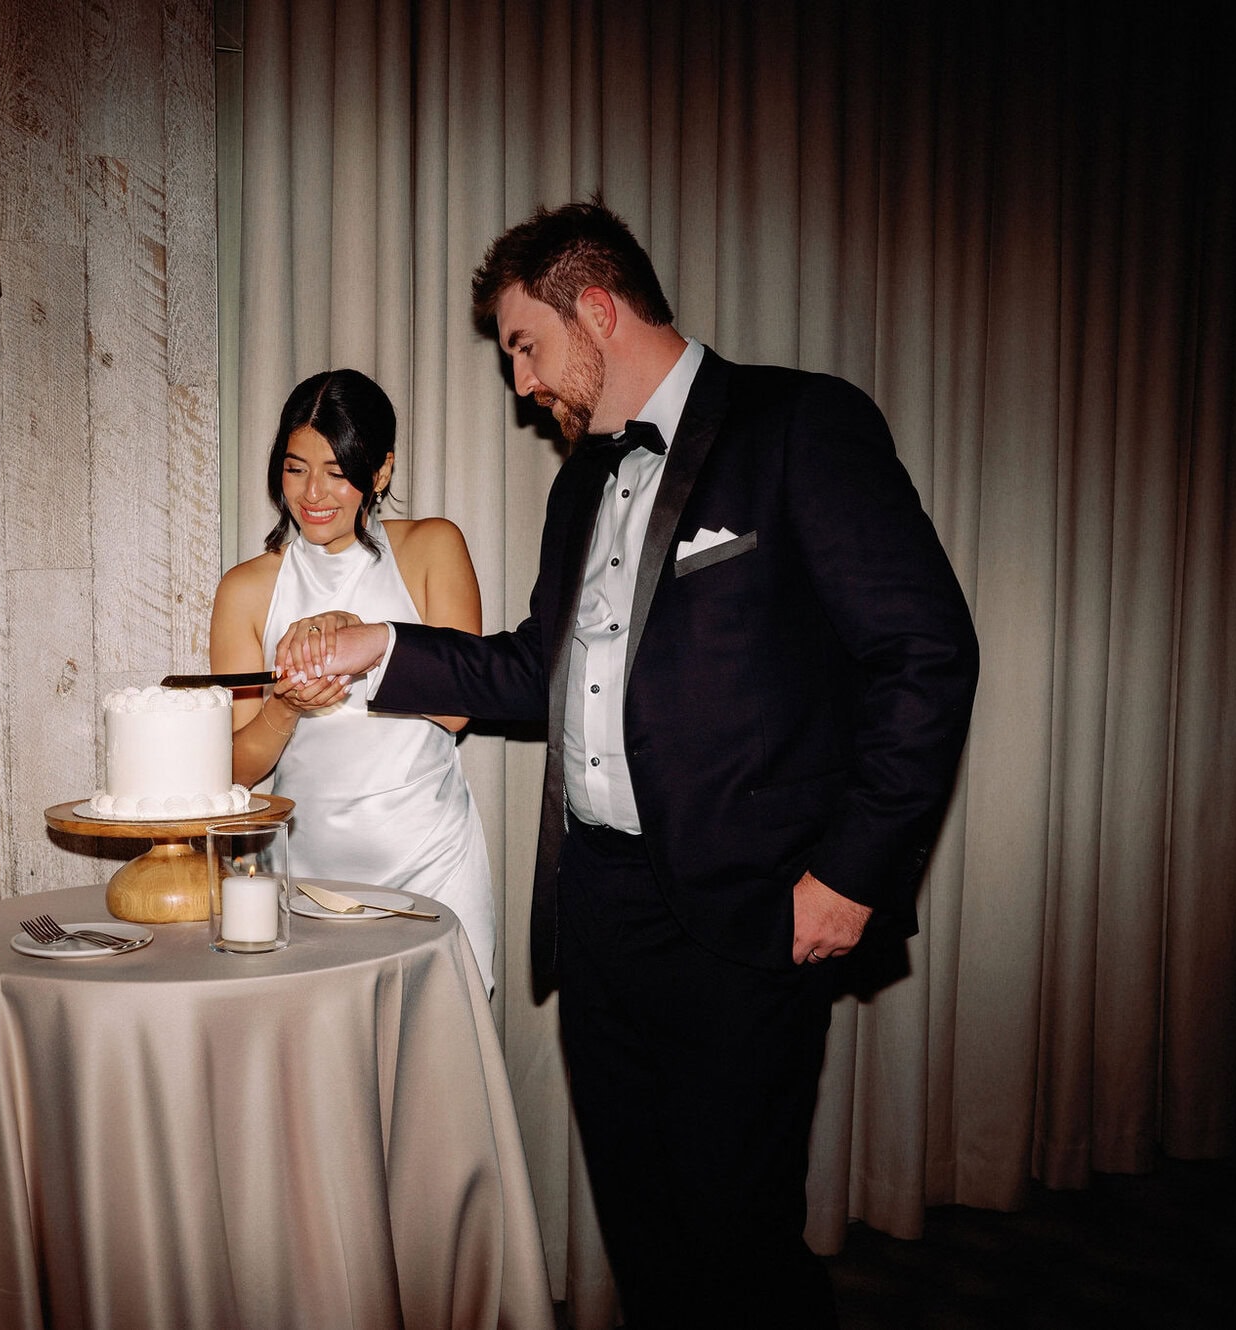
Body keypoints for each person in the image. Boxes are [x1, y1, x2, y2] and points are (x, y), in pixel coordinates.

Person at [274, 202, 979, 1325]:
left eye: (525, 346)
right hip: (599, 910)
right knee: (643, 1234)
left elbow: (924, 655)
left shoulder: (798, 424)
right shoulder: (580, 482)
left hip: (747, 909)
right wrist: (380, 647)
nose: (520, 385)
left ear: (595, 309)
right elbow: (534, 671)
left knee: (738, 1245)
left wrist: (854, 873)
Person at [209, 368, 497, 991]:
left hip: (433, 864)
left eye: (337, 472)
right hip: (308, 878)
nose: (313, 492)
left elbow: (460, 709)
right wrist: (285, 708)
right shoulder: (245, 589)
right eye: (295, 468)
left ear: (381, 471)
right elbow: (233, 770)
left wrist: (365, 643)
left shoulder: (432, 546)